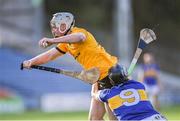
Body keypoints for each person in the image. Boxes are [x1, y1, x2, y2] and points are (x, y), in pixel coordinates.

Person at [22, 12, 118, 120]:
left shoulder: (79, 32)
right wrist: (31, 62)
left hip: (110, 74)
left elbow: (80, 37)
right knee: (94, 119)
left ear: (64, 26)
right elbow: (49, 56)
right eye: (52, 27)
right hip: (98, 78)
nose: (53, 30)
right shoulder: (65, 44)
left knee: (114, 118)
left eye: (56, 27)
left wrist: (52, 40)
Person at [92, 65, 167, 121]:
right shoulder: (139, 85)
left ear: (111, 81)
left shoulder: (109, 94)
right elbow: (129, 80)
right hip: (156, 118)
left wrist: (96, 82)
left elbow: (94, 94)